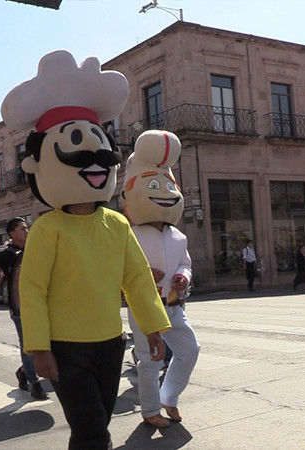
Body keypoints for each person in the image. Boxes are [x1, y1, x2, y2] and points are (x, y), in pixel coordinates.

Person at [1, 50, 171, 449]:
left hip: (109, 344)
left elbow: (137, 279)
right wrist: (39, 348)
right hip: (65, 347)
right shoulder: (47, 229)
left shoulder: (116, 223)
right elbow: (34, 290)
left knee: (93, 426)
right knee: (93, 430)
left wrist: (153, 327)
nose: (94, 156)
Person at [121, 130, 200, 429]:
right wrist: (142, 274)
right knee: (150, 360)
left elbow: (185, 263)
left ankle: (170, 397)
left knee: (189, 350)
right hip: (143, 305)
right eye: (155, 185)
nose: (165, 192)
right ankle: (150, 410)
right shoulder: (128, 233)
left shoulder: (178, 235)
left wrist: (183, 276)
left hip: (173, 306)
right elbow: (120, 269)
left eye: (168, 185)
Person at [0, 217, 48, 400]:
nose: (26, 231)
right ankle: (34, 383)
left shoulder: (35, 249)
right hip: (20, 305)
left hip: (41, 302)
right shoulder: (6, 254)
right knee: (28, 345)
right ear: (11, 234)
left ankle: (24, 371)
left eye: (26, 228)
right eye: (22, 228)